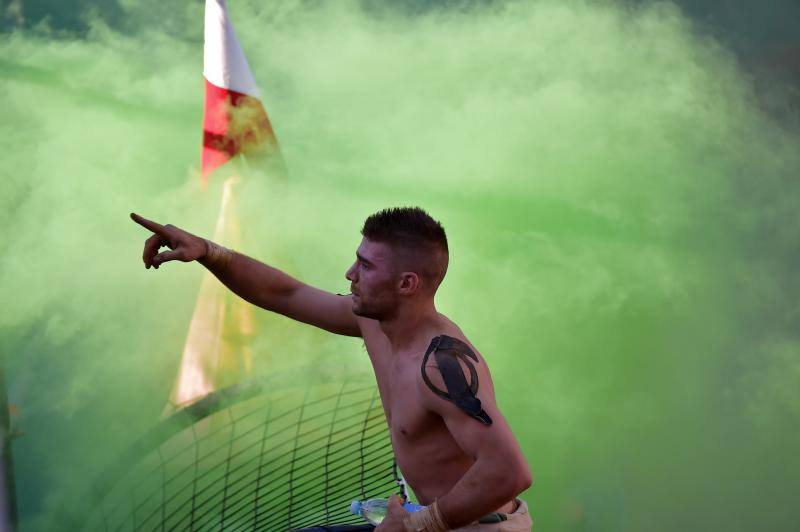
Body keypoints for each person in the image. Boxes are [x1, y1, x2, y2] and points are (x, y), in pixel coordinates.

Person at [131, 207, 533, 531]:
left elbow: (509, 471)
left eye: (366, 266)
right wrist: (207, 251)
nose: (350, 274)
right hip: (426, 516)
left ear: (407, 283)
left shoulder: (442, 363)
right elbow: (286, 295)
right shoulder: (374, 322)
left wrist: (417, 526)